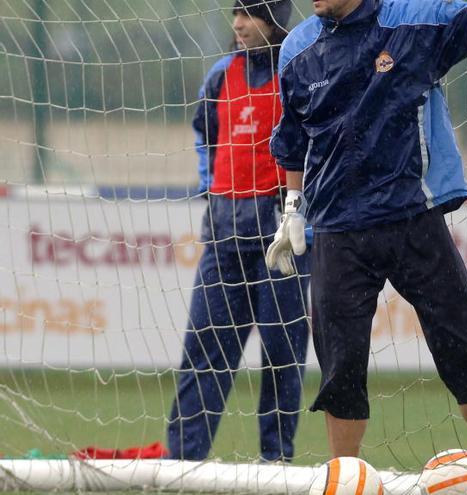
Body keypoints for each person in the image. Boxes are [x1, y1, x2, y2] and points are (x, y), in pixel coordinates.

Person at [265, 0, 467, 492]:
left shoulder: (415, 19)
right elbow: (293, 138)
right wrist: (293, 206)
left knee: (464, 346)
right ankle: (346, 479)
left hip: (412, 217)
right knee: (340, 368)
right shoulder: (296, 48)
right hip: (336, 229)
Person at [166, 0, 310, 463]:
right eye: (236, 15)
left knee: (281, 351)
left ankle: (276, 461)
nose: (238, 25)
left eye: (249, 16)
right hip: (224, 232)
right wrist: (213, 188)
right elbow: (202, 131)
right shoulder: (220, 74)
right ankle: (183, 460)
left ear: (274, 23)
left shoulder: (297, 71)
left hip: (281, 235)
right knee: (203, 347)